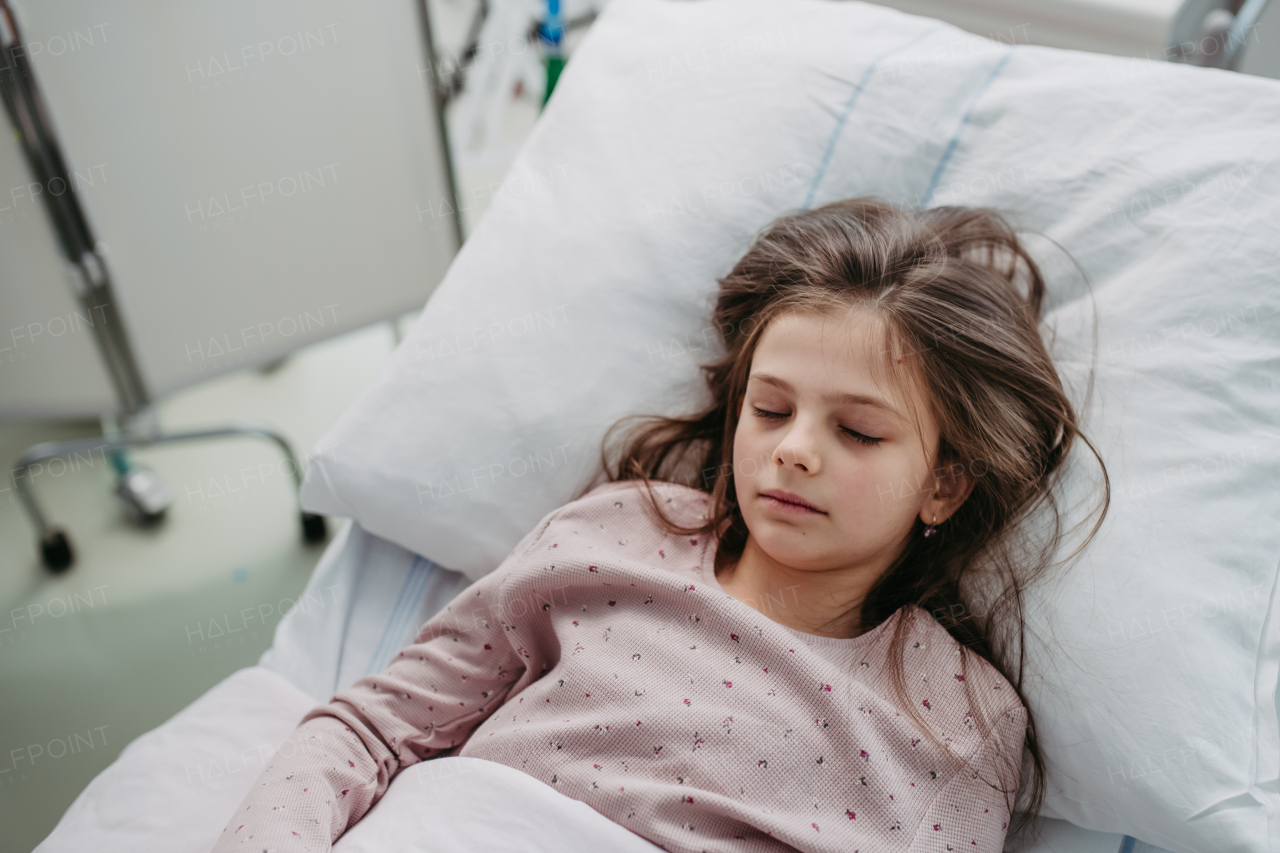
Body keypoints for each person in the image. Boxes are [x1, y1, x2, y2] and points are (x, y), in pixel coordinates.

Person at [210, 198, 1109, 852]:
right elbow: (374, 728)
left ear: (945, 484)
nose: (795, 451)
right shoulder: (613, 537)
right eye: (770, 410)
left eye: (858, 430)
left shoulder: (954, 712)